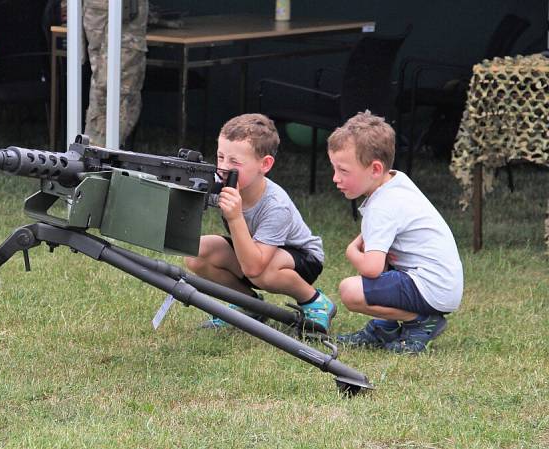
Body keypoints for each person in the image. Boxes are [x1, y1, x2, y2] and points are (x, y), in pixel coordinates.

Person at [184, 113, 336, 332]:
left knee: (264, 271)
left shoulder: (276, 205)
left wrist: (235, 216)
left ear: (265, 164)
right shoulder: (221, 181)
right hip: (255, 250)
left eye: (235, 161)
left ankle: (314, 301)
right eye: (220, 157)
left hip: (301, 257)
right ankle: (248, 305)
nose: (223, 167)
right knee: (196, 252)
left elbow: (254, 266)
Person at [327, 111, 463, 354]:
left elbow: (371, 269)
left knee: (350, 291)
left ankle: (421, 321)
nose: (335, 178)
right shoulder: (396, 183)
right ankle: (385, 326)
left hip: (431, 288)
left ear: (375, 168)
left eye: (344, 171)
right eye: (334, 169)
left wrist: (350, 251)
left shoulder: (382, 206)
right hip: (440, 284)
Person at [82, 0, 148, 147]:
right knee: (116, 92)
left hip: (104, 12)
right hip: (118, 13)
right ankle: (99, 155)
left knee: (107, 89)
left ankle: (96, 154)